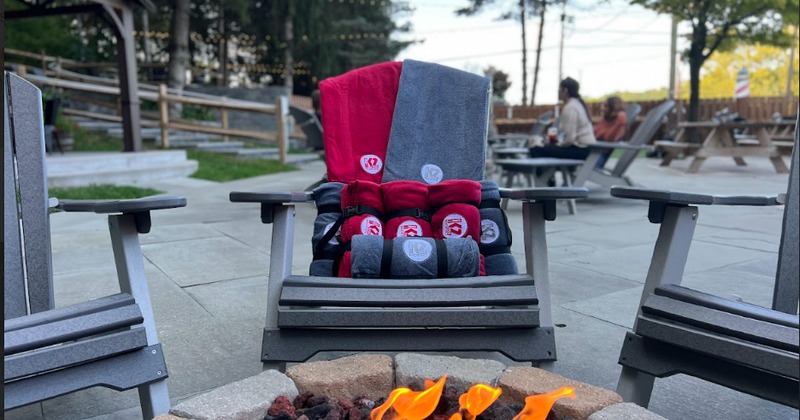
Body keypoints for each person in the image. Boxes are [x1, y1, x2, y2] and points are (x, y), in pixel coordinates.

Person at [529, 77, 596, 162]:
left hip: (580, 150)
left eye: (559, 89)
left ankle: (545, 174)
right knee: (546, 147)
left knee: (536, 148)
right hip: (585, 149)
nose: (558, 92)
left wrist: (558, 144)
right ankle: (551, 172)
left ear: (565, 90)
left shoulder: (570, 107)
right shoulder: (578, 104)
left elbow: (570, 139)